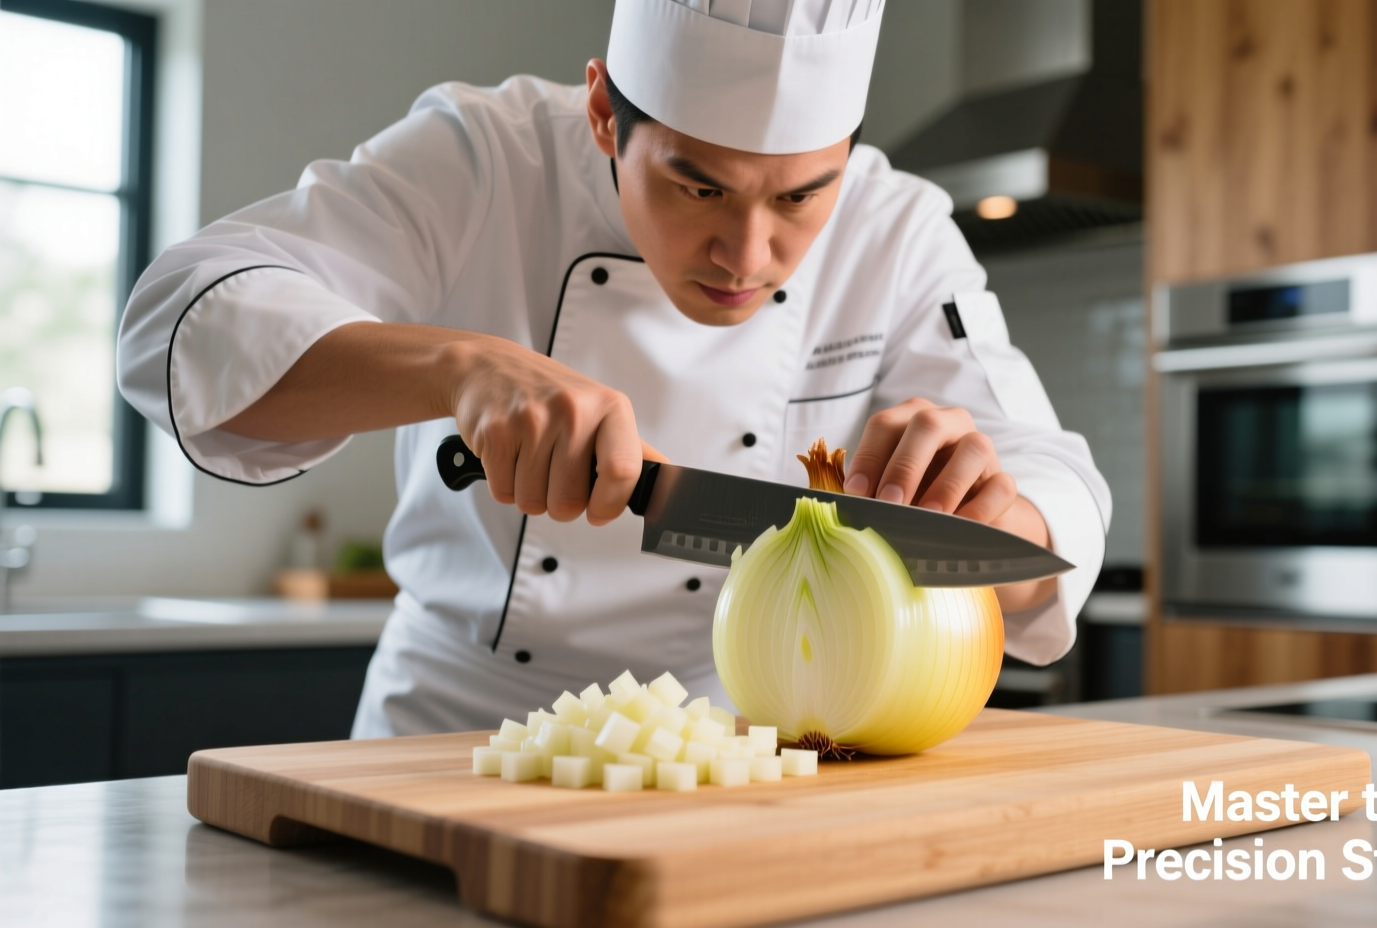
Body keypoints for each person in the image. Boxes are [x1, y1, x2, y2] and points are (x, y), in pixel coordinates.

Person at [116, 0, 1111, 738]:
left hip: (727, 742)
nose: (747, 255)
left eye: (800, 197)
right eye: (697, 186)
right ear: (603, 113)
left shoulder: (896, 228)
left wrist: (997, 511)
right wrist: (460, 366)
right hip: (452, 731)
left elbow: (1050, 471)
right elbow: (179, 323)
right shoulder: (482, 159)